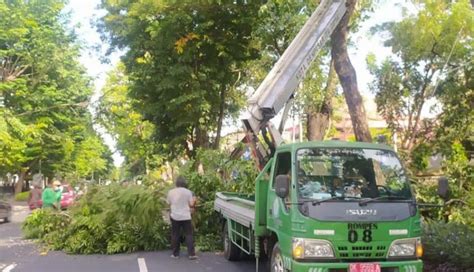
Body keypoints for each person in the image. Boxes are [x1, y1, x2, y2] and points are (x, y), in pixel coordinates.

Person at [166, 176, 197, 260]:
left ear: (176, 183)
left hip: (175, 216)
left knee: (175, 235)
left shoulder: (171, 192)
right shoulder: (188, 192)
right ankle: (191, 254)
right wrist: (194, 203)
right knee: (189, 235)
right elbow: (191, 205)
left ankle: (175, 254)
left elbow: (168, 204)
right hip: (186, 216)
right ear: (184, 183)